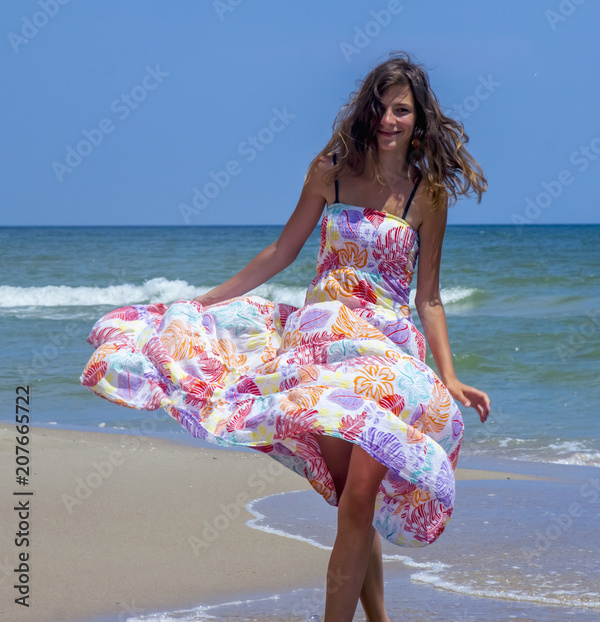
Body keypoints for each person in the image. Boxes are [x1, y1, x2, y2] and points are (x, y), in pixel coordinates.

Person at [80, 51, 490, 622]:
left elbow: (429, 297)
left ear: (419, 120)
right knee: (353, 500)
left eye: (403, 110)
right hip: (323, 341)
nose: (390, 120)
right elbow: (282, 252)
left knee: (360, 499)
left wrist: (449, 376)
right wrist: (200, 303)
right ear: (367, 111)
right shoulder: (331, 170)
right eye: (382, 107)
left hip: (389, 354)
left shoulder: (429, 195)